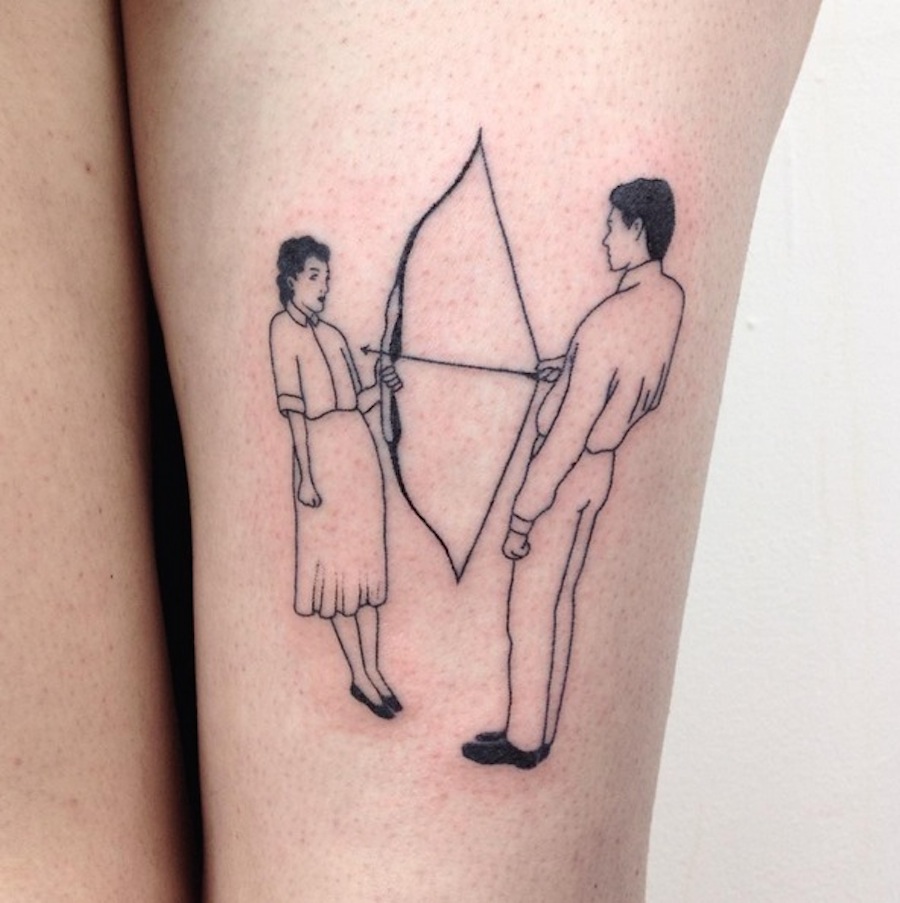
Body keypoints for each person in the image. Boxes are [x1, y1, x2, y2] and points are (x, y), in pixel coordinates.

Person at [462, 178, 685, 768]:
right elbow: (639, 385)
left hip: (565, 478)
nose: (604, 239)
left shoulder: (609, 319)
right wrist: (570, 369)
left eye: (611, 227)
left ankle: (525, 740)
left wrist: (522, 514)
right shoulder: (667, 299)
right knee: (559, 600)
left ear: (637, 230)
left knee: (532, 606)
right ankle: (539, 732)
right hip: (599, 471)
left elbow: (565, 435)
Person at [270, 236, 404, 720]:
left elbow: (357, 402)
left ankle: (374, 671)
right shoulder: (282, 330)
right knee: (337, 576)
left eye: (326, 277)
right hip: (323, 457)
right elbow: (295, 413)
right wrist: (307, 476)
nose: (324, 286)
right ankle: (359, 675)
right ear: (291, 280)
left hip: (357, 456)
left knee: (364, 572)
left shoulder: (334, 336)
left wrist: (382, 384)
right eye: (314, 277)